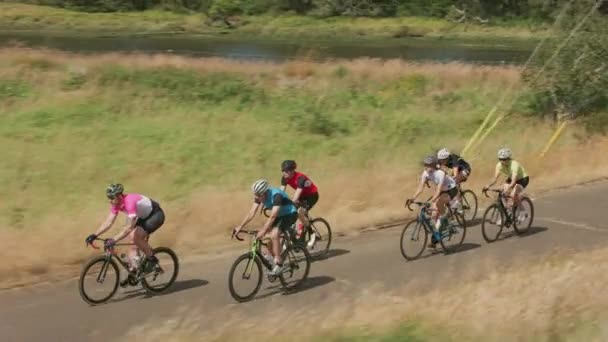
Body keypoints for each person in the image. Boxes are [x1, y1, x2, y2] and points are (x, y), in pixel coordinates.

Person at [85, 184, 165, 286]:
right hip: (143, 216)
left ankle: (153, 261)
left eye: (111, 198)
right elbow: (109, 222)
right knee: (131, 240)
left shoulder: (129, 202)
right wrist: (95, 235)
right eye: (108, 198)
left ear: (118, 196)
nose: (110, 200)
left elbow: (128, 228)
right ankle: (134, 270)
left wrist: (114, 240)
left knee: (136, 237)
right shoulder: (116, 204)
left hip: (155, 215)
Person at [234, 179, 299, 276]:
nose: (256, 197)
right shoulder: (259, 196)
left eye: (259, 195)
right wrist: (240, 226)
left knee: (274, 233)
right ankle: (275, 255)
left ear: (265, 192)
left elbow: (272, 216)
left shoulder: (276, 196)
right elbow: (251, 213)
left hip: (290, 214)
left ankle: (279, 263)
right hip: (279, 215)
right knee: (266, 239)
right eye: (255, 194)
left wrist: (263, 231)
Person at [406, 155, 458, 248]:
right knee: (433, 215)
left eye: (428, 165)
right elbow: (420, 188)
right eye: (425, 165)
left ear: (434, 165)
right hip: (441, 190)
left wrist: (431, 201)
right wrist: (412, 198)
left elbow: (438, 191)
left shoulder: (440, 173)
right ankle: (435, 239)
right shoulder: (425, 173)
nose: (426, 167)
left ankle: (446, 220)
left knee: (438, 203)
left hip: (451, 189)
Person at [279, 160, 319, 248]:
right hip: (302, 195)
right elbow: (280, 193)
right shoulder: (285, 178)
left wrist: (290, 204)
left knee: (300, 211)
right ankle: (299, 238)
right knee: (292, 213)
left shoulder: (301, 178)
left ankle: (313, 234)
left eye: (286, 171)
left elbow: (296, 196)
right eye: (283, 171)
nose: (284, 173)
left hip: (312, 195)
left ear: (292, 171)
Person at [483, 147, 529, 221]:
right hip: (511, 178)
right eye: (500, 159)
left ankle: (522, 211)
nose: (502, 161)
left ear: (508, 158)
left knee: (513, 194)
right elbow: (495, 179)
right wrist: (488, 186)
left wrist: (509, 188)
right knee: (503, 194)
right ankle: (508, 211)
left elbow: (514, 181)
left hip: (522, 179)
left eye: (504, 159)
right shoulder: (499, 165)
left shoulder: (514, 165)